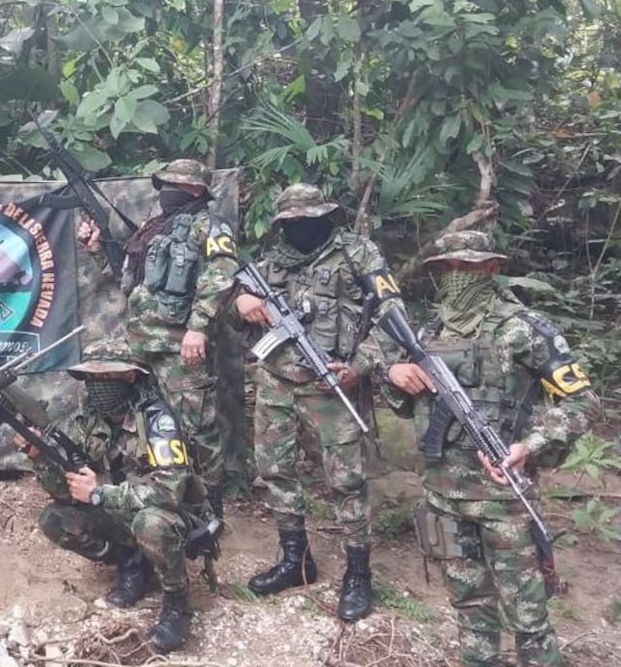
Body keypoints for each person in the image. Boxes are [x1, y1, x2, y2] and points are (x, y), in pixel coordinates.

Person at [383, 230, 600, 667]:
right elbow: (408, 407)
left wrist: (529, 444)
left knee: (528, 617)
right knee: (468, 607)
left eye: (469, 265)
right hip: (443, 496)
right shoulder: (426, 331)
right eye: (448, 268)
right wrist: (395, 373)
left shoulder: (524, 328)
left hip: (506, 500)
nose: (457, 275)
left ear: (492, 268)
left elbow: (582, 401)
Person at [233, 183, 400, 621]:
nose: (301, 229)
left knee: (346, 482)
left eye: (309, 220)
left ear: (327, 216)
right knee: (276, 472)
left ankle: (358, 573)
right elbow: (235, 303)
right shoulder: (272, 262)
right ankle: (296, 560)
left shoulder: (358, 255)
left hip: (334, 386)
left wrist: (359, 366)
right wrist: (242, 300)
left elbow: (393, 319)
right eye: (292, 223)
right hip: (276, 383)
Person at [24, 337, 215, 654]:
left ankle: (177, 603)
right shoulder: (90, 419)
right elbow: (67, 490)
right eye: (91, 378)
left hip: (175, 515)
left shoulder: (157, 420)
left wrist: (100, 493)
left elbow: (168, 492)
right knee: (56, 519)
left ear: (130, 377)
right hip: (121, 505)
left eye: (105, 377)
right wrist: (40, 457)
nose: (96, 386)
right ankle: (132, 564)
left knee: (150, 523)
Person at [78, 159, 238, 519]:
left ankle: (210, 512)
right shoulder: (155, 230)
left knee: (197, 429)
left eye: (176, 185)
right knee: (137, 418)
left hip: (181, 346)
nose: (167, 191)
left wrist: (199, 327)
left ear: (197, 190)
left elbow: (223, 274)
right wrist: (96, 248)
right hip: (140, 346)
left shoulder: (208, 226)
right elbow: (128, 280)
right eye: (164, 184)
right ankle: (145, 493)